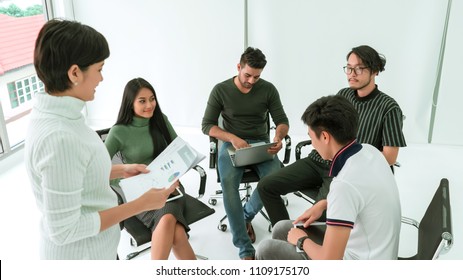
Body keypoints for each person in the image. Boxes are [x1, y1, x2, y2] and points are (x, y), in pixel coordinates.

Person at [24, 19, 177, 260]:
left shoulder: (62, 117)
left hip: (99, 249)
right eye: (99, 69)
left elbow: (74, 175)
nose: (101, 79)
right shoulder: (59, 137)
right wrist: (140, 204)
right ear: (75, 72)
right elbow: (64, 230)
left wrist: (120, 170)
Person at [257, 45, 406, 225]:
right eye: (349, 68)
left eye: (358, 68)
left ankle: (307, 243)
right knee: (266, 186)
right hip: (319, 160)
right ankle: (284, 234)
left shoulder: (388, 108)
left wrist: (354, 161)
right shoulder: (344, 95)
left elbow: (389, 158)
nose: (352, 73)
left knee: (318, 219)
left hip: (347, 171)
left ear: (374, 71)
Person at [256, 95, 402, 260]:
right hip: (378, 251)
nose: (312, 144)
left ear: (325, 137)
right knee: (282, 228)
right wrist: (324, 203)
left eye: (311, 137)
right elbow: (364, 196)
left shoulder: (344, 185)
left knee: (265, 249)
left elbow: (330, 261)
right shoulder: (370, 151)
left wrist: (301, 241)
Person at [201, 47, 289, 260]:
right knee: (229, 185)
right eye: (247, 75)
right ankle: (244, 247)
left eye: (256, 77)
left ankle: (245, 216)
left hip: (260, 144)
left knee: (274, 180)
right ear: (238, 67)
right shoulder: (220, 90)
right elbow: (207, 126)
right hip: (232, 144)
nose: (251, 80)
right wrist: (231, 137)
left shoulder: (268, 90)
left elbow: (282, 122)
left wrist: (278, 137)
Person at [104, 77, 196, 260]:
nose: (149, 105)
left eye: (152, 99)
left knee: (170, 220)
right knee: (175, 230)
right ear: (130, 104)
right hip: (140, 193)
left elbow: (178, 150)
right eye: (142, 101)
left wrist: (177, 171)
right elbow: (100, 170)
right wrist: (124, 180)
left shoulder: (160, 120)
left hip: (169, 186)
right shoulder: (119, 131)